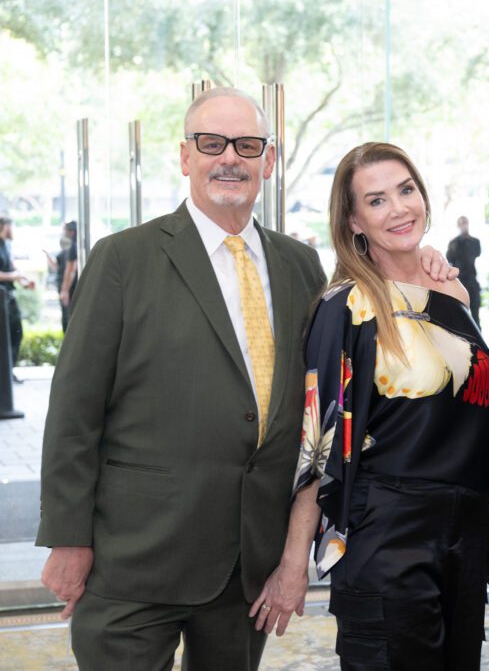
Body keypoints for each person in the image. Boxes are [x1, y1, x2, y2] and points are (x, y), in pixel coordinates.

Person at [35, 87, 329, 670]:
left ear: (268, 161)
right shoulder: (123, 258)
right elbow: (75, 410)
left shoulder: (301, 265)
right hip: (134, 559)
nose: (230, 158)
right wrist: (68, 538)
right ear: (185, 156)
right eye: (211, 142)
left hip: (246, 566)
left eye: (247, 145)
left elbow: (314, 416)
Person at [251, 142, 489, 670]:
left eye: (406, 190)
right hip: (388, 533)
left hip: (461, 534)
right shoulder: (345, 307)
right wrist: (293, 562)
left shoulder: (453, 291)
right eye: (377, 200)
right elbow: (318, 441)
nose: (398, 208)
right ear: (353, 221)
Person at [0, 216, 35, 377]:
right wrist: (14, 276)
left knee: (16, 332)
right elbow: (8, 273)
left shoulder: (6, 245)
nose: (12, 230)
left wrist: (24, 280)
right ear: (3, 227)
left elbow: (12, 268)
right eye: (10, 226)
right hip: (2, 297)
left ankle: (8, 372)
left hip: (9, 297)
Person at [446, 215, 482, 325]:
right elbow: (449, 260)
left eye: (465, 223)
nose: (463, 226)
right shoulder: (453, 243)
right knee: (460, 314)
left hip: (472, 280)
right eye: (461, 224)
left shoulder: (475, 241)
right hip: (459, 281)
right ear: (458, 226)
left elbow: (476, 254)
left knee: (475, 314)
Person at [56, 221, 77, 331]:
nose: (63, 232)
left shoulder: (72, 246)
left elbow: (71, 269)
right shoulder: (68, 246)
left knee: (68, 319)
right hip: (68, 288)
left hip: (70, 289)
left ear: (71, 232)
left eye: (65, 230)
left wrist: (65, 290)